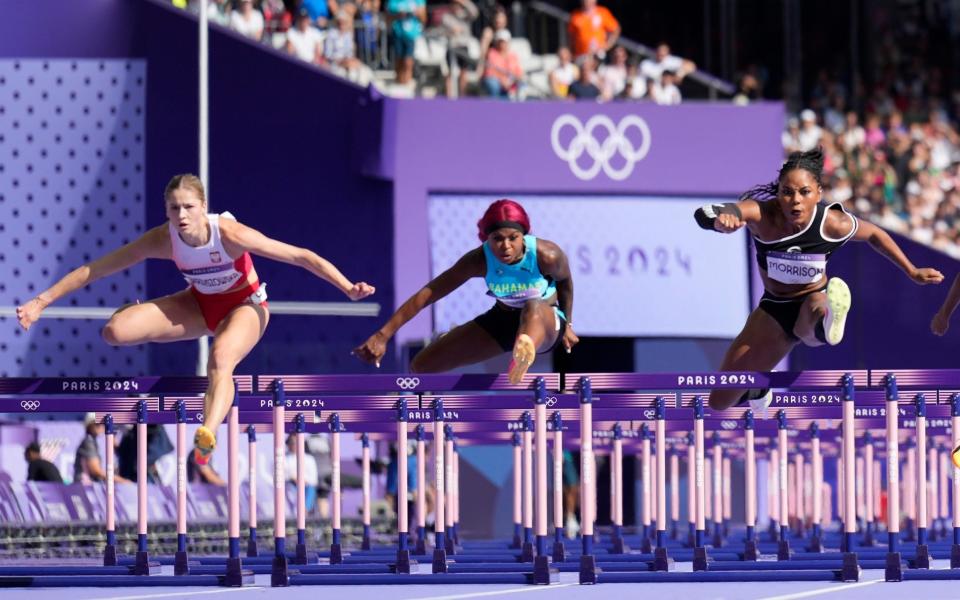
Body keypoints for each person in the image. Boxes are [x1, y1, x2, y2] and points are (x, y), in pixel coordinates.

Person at [16, 174, 375, 465]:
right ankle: (131, 310)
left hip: (245, 308)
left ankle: (207, 433)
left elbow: (300, 256)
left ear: (204, 208)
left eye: (189, 207)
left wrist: (346, 286)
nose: (182, 215)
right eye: (174, 209)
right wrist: (41, 301)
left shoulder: (231, 235)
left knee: (220, 360)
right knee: (114, 331)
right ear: (167, 212)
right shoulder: (164, 239)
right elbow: (94, 269)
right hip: (199, 305)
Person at [695, 148, 942, 411]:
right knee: (718, 402)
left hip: (811, 299)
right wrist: (721, 220)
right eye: (787, 192)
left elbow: (874, 235)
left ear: (818, 194)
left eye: (804, 192)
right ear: (778, 194)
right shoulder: (762, 215)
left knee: (813, 316)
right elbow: (707, 212)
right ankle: (757, 388)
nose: (795, 201)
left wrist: (911, 270)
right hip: (772, 310)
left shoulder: (832, 223)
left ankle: (828, 318)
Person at [353, 199, 578, 383]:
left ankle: (524, 350)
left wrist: (568, 324)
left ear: (524, 235)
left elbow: (566, 284)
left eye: (513, 238)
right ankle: (422, 427)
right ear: (486, 238)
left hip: (545, 323)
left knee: (533, 307)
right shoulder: (478, 260)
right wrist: (383, 335)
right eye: (497, 239)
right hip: (503, 321)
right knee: (422, 366)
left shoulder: (547, 255)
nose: (506, 246)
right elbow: (427, 294)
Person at [74, 412, 130, 484]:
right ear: (89, 426)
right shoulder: (88, 443)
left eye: (102, 423)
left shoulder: (92, 441)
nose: (101, 426)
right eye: (97, 424)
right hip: (84, 487)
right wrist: (122, 481)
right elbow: (96, 471)